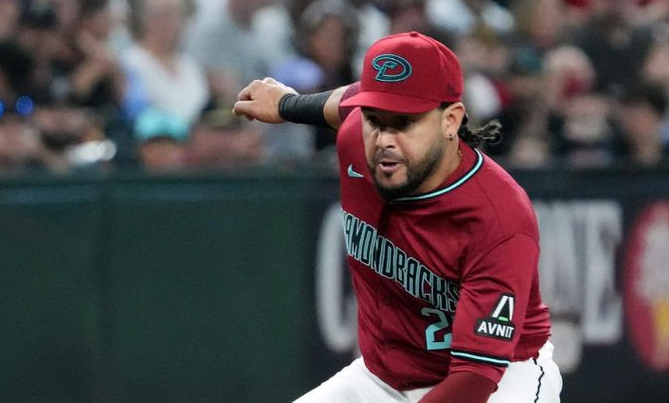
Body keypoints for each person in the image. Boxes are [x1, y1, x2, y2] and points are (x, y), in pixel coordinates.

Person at [233, 31, 561, 402]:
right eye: (375, 120)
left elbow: (474, 377)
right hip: (383, 378)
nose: (385, 138)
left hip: (500, 380)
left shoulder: (497, 218)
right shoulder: (360, 133)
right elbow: (347, 101)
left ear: (450, 120)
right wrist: (288, 104)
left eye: (404, 123)